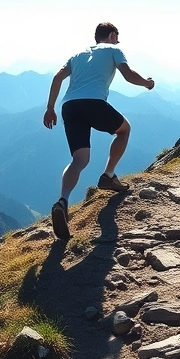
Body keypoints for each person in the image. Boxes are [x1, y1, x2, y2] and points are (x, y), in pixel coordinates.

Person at [43, 22, 155, 240]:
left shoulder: (77, 55)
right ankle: (109, 175)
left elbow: (57, 78)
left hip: (69, 106)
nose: (117, 41)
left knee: (79, 159)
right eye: (117, 38)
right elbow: (129, 74)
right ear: (112, 35)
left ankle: (63, 201)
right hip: (93, 103)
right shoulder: (114, 50)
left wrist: (49, 108)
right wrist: (147, 84)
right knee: (124, 130)